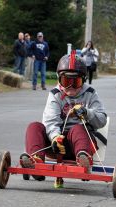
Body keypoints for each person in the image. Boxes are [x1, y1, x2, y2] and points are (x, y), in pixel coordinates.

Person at [20, 51, 107, 188]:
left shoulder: (90, 93)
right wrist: (55, 137)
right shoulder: (55, 94)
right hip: (56, 145)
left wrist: (86, 112)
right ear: (59, 79)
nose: (70, 87)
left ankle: (83, 160)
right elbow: (50, 121)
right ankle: (36, 162)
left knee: (77, 128)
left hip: (81, 144)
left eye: (75, 82)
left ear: (83, 80)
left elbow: (102, 119)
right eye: (66, 81)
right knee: (34, 126)